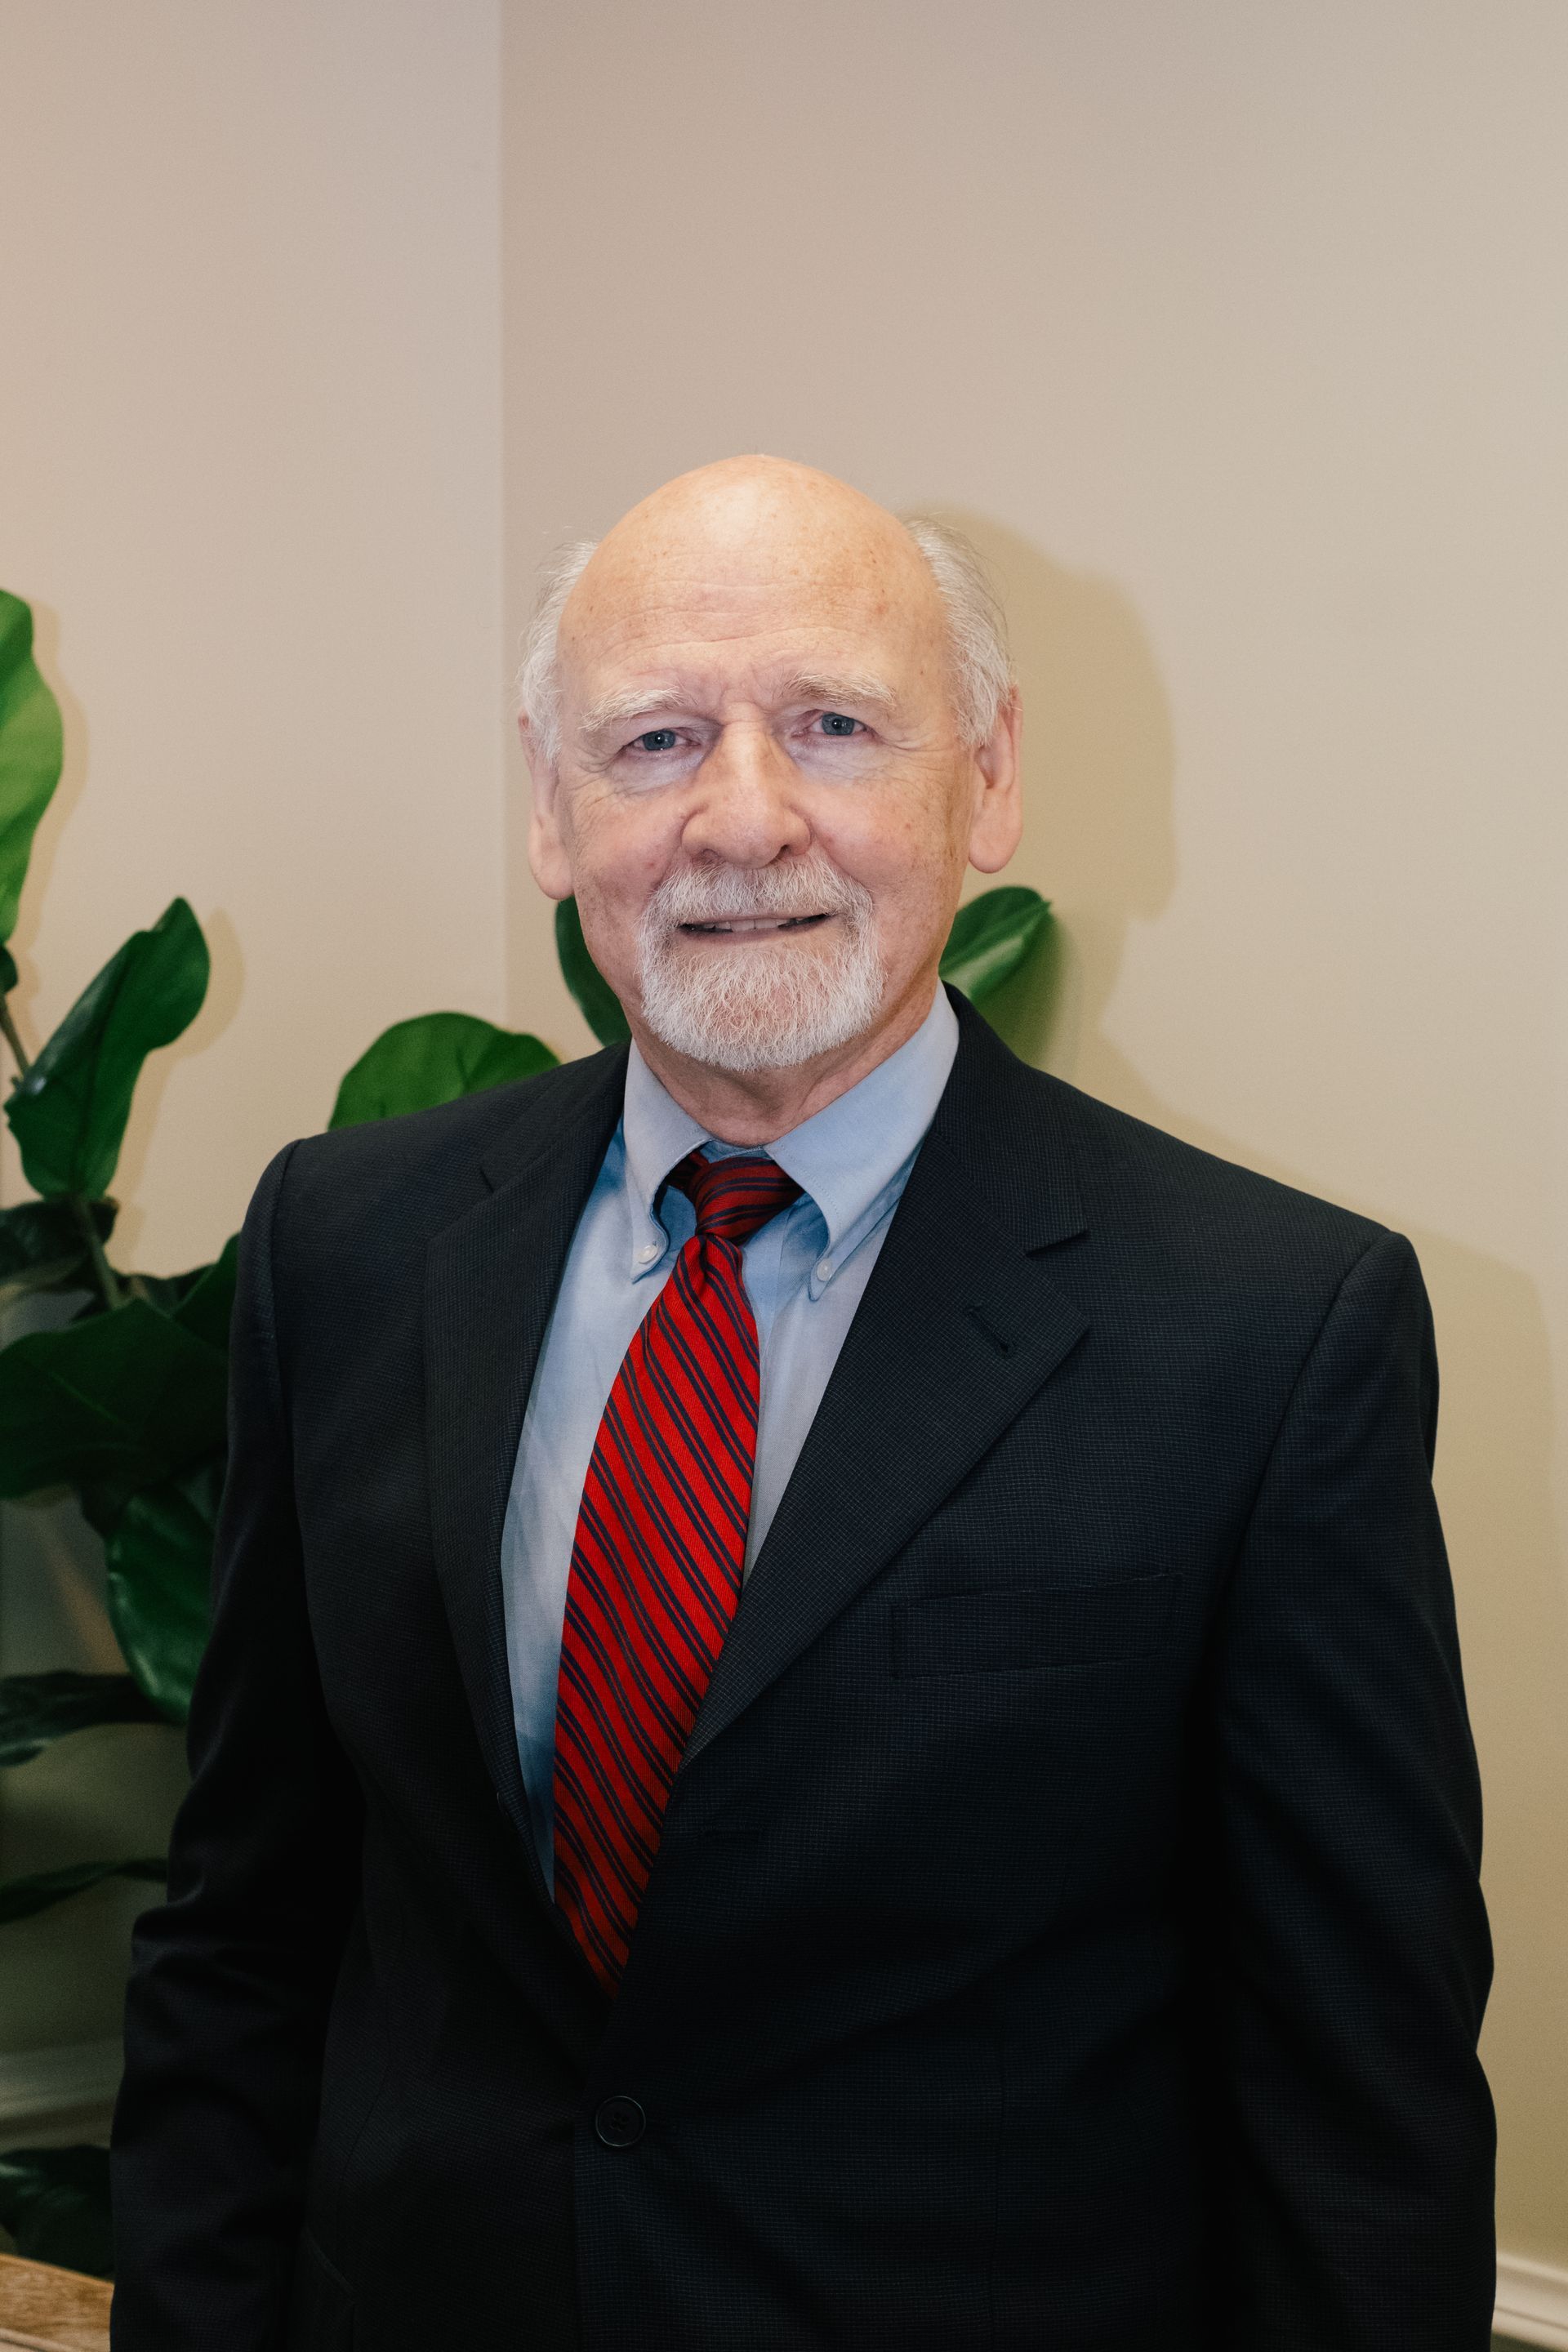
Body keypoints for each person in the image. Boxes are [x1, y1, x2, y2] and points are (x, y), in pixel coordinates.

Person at [110, 457, 1494, 2352]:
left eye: (834, 727)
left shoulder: (1267, 1334)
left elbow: (1360, 2105)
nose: (739, 821)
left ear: (986, 778)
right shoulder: (345, 1249)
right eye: (656, 740)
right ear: (552, 810)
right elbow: (247, 1935)